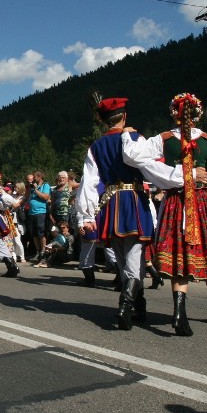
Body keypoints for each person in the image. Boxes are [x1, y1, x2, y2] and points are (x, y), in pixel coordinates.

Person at [121, 92, 207, 337]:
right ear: (198, 114)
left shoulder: (163, 139)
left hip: (177, 203)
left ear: (173, 113)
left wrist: (126, 135)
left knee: (180, 257)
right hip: (205, 203)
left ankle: (179, 312)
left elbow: (133, 157)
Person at [76, 97, 155, 330]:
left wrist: (87, 215)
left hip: (110, 201)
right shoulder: (134, 138)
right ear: (125, 117)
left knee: (124, 257)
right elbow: (151, 168)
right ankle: (125, 306)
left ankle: (138, 307)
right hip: (133, 199)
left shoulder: (96, 146)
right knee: (134, 255)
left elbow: (88, 184)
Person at [26, 171, 51, 261]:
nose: (33, 179)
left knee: (41, 233)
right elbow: (27, 196)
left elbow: (45, 197)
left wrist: (36, 190)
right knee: (34, 234)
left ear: (39, 177)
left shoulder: (45, 185)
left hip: (41, 212)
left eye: (35, 177)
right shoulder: (33, 186)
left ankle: (43, 251)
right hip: (31, 212)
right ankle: (38, 251)